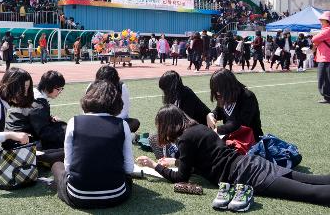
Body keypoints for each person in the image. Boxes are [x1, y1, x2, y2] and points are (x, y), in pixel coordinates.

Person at [137, 105, 330, 209]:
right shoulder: (199, 128)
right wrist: (176, 161)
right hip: (250, 162)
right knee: (310, 180)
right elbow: (204, 159)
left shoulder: (185, 139)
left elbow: (181, 178)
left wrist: (155, 165)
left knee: (309, 193)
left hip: (246, 175)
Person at [52, 81, 134, 209]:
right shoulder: (122, 124)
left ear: (88, 98)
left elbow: (68, 167)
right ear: (116, 101)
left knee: (57, 165)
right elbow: (129, 169)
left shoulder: (74, 122)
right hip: (116, 195)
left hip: (78, 196)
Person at [6, 70, 66, 165]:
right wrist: (65, 133)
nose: (60, 92)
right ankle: (39, 158)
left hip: (13, 140)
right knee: (64, 148)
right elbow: (44, 133)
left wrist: (50, 119)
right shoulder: (38, 105)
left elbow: (31, 117)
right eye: (58, 89)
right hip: (19, 146)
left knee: (59, 128)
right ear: (48, 87)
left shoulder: (33, 93)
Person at [206, 69, 263, 142]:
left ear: (228, 85)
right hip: (231, 138)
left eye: (218, 89)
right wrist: (211, 115)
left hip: (250, 140)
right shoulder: (225, 95)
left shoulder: (247, 97)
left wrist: (218, 130)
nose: (217, 93)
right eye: (215, 89)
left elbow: (239, 124)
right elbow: (219, 110)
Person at [89, 65, 140, 133]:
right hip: (99, 122)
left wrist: (110, 122)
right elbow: (86, 112)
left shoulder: (121, 87)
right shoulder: (91, 86)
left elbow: (124, 112)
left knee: (134, 122)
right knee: (133, 123)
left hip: (112, 122)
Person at [312, 11, 330, 104]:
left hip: (325, 58)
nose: (321, 22)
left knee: (322, 79)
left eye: (322, 20)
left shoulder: (327, 30)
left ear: (327, 21)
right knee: (326, 79)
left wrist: (316, 38)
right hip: (325, 58)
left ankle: (327, 97)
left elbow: (314, 39)